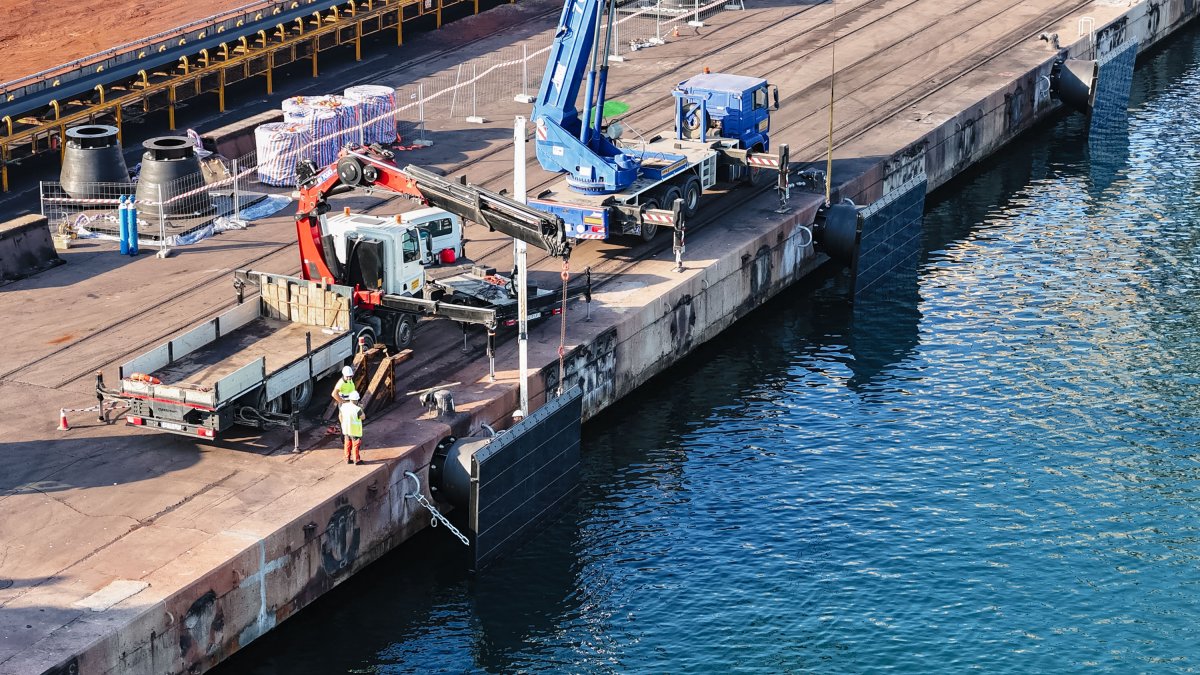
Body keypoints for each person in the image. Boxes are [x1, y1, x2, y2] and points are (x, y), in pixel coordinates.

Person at [340, 391, 366, 465]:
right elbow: (363, 417)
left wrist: (343, 424)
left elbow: (340, 416)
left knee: (347, 444)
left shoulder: (344, 406)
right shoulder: (357, 409)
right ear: (357, 400)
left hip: (346, 429)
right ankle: (356, 460)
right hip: (355, 431)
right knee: (355, 446)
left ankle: (347, 459)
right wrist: (361, 408)